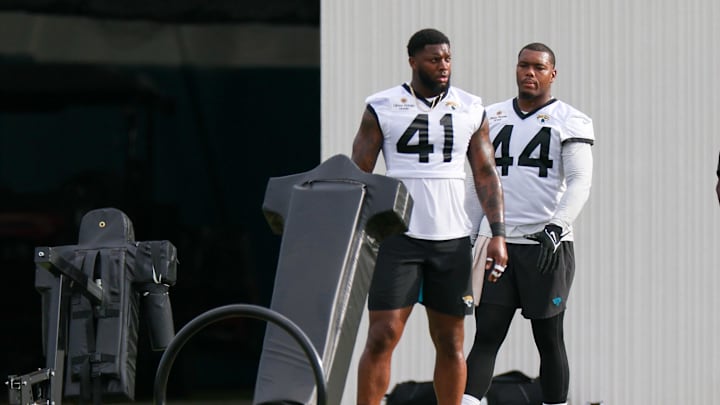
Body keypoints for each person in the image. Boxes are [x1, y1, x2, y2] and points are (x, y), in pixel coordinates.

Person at [351, 28, 508, 405]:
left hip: (451, 239)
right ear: (413, 61)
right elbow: (359, 175)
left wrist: (498, 234)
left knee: (451, 341)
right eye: (434, 59)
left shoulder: (471, 107)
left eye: (447, 59)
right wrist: (355, 233)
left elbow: (486, 173)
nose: (443, 66)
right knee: (382, 334)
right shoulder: (382, 105)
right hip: (397, 238)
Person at [462, 43, 595, 405]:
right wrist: (470, 233)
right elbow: (478, 181)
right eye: (524, 65)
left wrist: (557, 225)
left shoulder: (571, 119)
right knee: (486, 334)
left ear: (553, 73)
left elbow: (581, 180)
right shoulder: (490, 116)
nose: (529, 73)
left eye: (538, 67)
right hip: (498, 242)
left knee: (549, 337)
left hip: (545, 245)